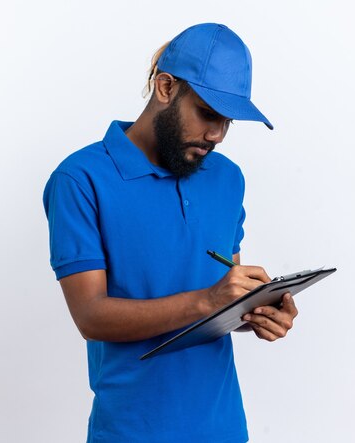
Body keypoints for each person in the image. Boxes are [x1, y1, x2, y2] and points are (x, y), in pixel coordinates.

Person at [43, 23, 298, 443]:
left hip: (225, 428)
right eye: (208, 114)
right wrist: (209, 298)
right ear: (165, 87)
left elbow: (217, 306)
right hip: (131, 431)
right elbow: (90, 316)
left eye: (227, 121)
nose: (216, 134)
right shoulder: (81, 179)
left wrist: (254, 312)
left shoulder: (227, 178)